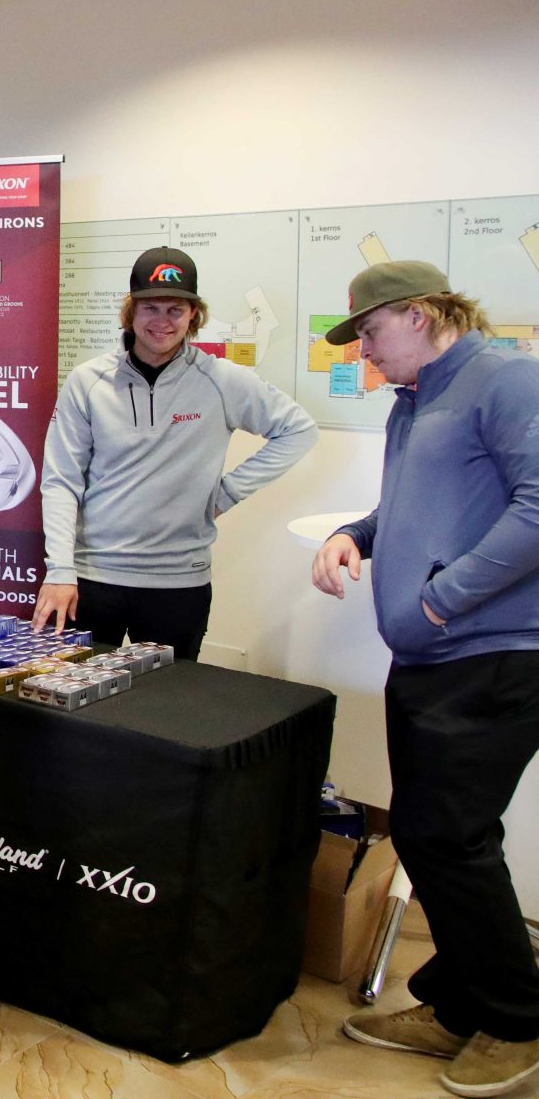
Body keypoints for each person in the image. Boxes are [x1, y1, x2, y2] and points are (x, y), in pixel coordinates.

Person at [313, 261, 539, 1099]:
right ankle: (459, 1004)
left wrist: (445, 596)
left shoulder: (504, 380)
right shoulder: (416, 400)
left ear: (420, 314)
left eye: (371, 332)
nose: (364, 352)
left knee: (450, 836)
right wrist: (355, 533)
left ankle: (517, 1021)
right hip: (430, 659)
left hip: (493, 654)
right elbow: (414, 507)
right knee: (428, 831)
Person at [33, 247, 318, 657]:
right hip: (93, 577)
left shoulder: (221, 380)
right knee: (72, 694)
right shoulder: (88, 381)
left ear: (193, 315)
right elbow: (61, 481)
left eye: (175, 310)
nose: (162, 322)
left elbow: (298, 430)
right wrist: (60, 570)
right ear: (131, 311)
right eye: (150, 308)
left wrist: (225, 494)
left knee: (167, 699)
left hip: (179, 584)